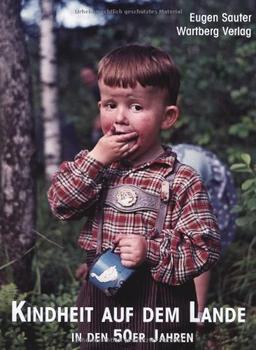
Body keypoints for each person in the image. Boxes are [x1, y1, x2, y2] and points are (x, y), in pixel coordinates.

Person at [48, 45, 220, 349]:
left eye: (136, 107)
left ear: (167, 117)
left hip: (160, 301)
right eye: (110, 105)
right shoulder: (95, 167)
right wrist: (95, 159)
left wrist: (150, 251)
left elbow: (203, 249)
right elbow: (61, 204)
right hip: (100, 295)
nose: (121, 118)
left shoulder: (181, 179)